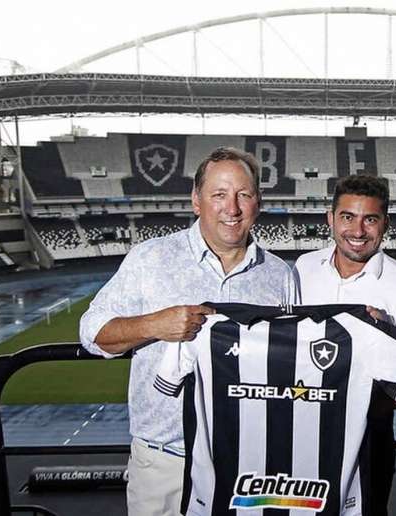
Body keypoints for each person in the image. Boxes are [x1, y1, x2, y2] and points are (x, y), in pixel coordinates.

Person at [79, 147, 294, 516]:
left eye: (244, 194)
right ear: (197, 201)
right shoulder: (151, 258)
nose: (233, 208)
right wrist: (154, 325)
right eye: (219, 194)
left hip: (250, 461)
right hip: (166, 462)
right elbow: (92, 332)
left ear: (258, 202)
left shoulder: (279, 276)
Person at [293, 174, 396, 515]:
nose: (357, 230)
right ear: (330, 219)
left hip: (368, 436)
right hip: (298, 425)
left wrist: (365, 410)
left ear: (386, 223)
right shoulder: (302, 269)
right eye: (347, 217)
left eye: (370, 219)